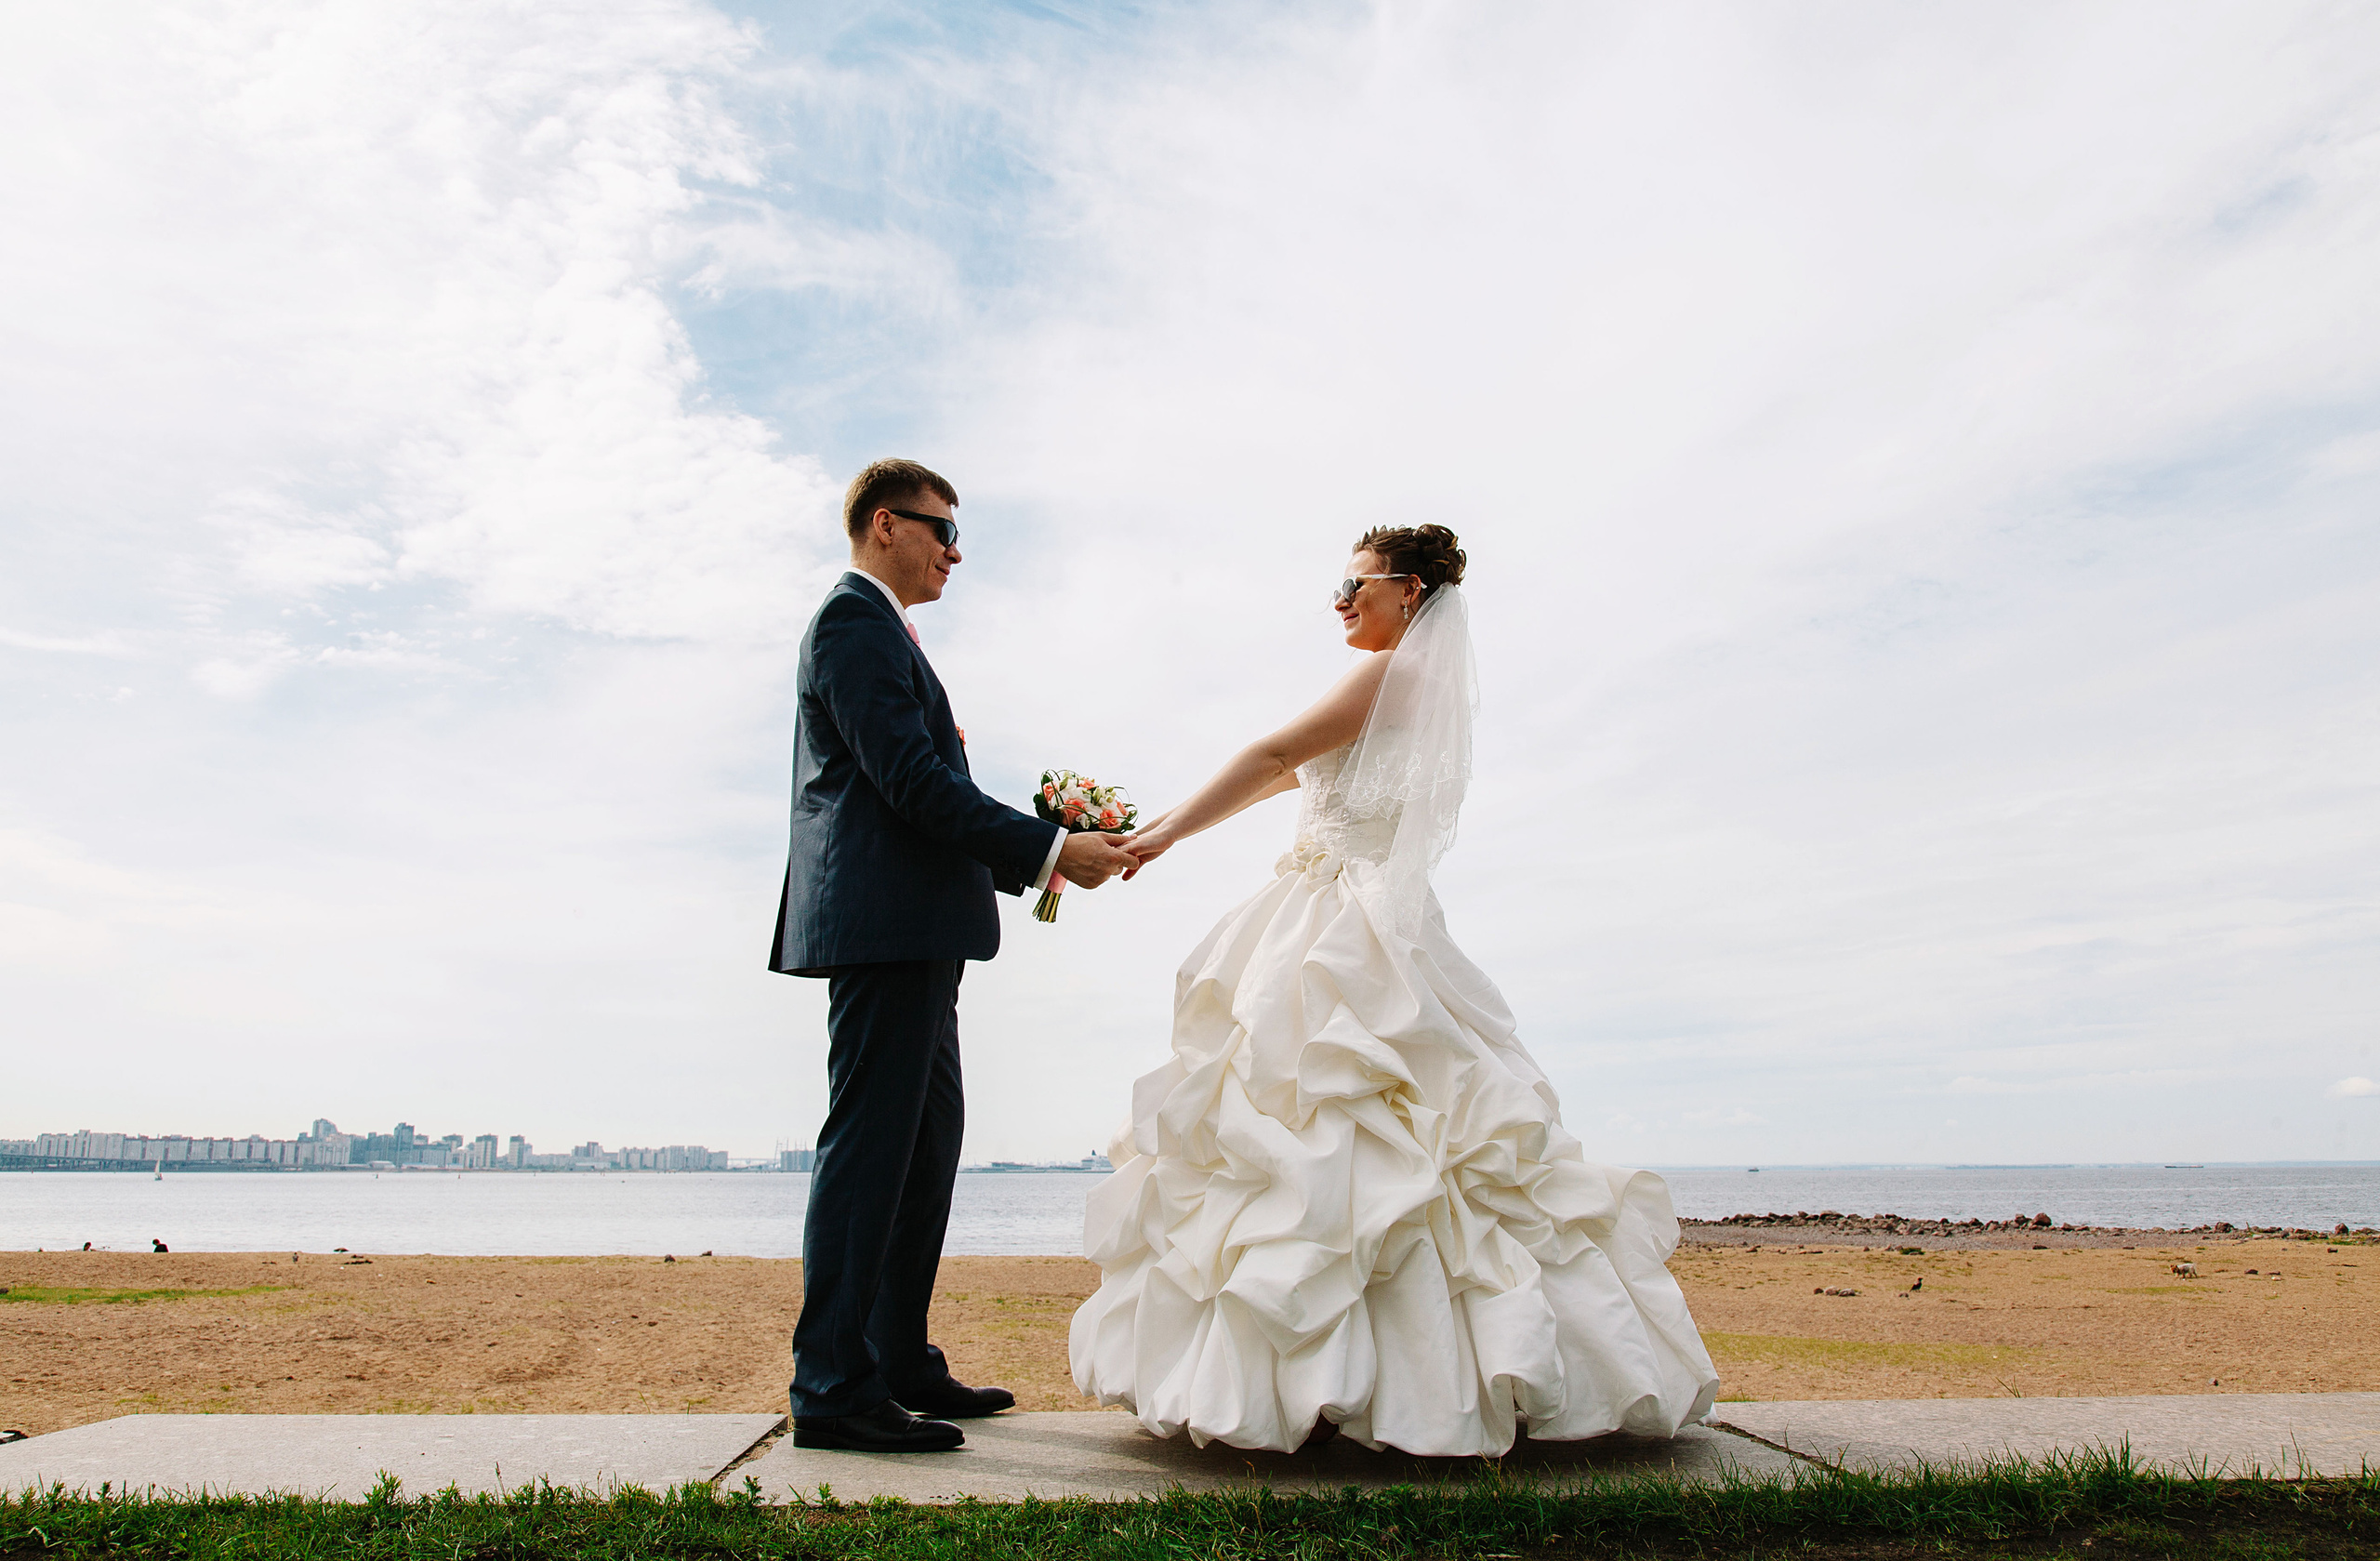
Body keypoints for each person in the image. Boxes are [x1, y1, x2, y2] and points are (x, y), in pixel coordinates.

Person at [1071, 524, 1719, 1456]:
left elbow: (1269, 750)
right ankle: (1356, 1387)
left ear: (1408, 592)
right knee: (1354, 1137)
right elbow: (1294, 771)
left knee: (1335, 1131)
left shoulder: (1389, 675)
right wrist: (1153, 827)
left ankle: (1348, 1390)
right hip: (1338, 902)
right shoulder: (1405, 683)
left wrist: (1161, 840)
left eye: (1354, 583)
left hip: (1341, 917)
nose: (1338, 599)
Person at [771, 458, 1139, 1453]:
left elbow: (919, 781)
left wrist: (1041, 841)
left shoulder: (884, 632)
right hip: (883, 928)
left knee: (924, 1152)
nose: (955, 550)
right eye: (942, 529)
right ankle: (832, 1384)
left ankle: (894, 1356)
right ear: (886, 523)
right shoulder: (852, 623)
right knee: (870, 1148)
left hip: (918, 928)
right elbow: (911, 784)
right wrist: (1056, 847)